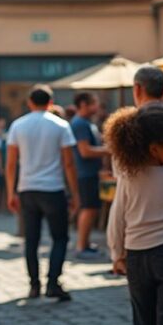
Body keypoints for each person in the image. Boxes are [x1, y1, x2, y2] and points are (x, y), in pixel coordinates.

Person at [105, 107, 163, 325]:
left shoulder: (128, 179)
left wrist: (117, 254)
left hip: (137, 258)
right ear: (154, 149)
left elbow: (117, 217)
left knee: (143, 322)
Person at [6, 84, 80, 301]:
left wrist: (11, 192)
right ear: (51, 102)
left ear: (30, 102)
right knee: (59, 237)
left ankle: (34, 284)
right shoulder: (60, 125)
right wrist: (75, 193)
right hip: (53, 188)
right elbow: (69, 164)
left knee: (31, 239)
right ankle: (53, 281)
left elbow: (11, 163)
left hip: (27, 188)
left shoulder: (18, 125)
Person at [70, 92, 109, 259]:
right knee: (88, 208)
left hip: (90, 173)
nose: (97, 107)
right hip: (85, 174)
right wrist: (110, 151)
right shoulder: (80, 123)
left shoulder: (85, 123)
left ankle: (84, 243)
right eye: (94, 103)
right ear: (84, 104)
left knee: (91, 208)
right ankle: (81, 246)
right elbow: (84, 151)